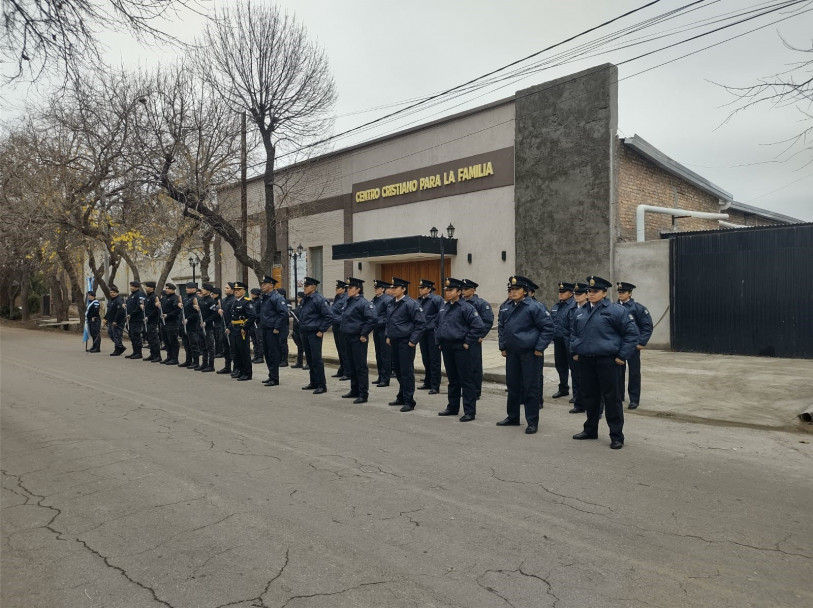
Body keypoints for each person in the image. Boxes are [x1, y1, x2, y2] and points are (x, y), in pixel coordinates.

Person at [571, 275, 639, 450]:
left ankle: (616, 436)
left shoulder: (616, 311)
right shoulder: (580, 311)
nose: (591, 294)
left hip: (608, 361)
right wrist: (577, 349)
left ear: (604, 293)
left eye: (595, 291)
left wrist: (621, 356)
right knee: (590, 397)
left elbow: (632, 334)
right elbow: (574, 333)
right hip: (586, 361)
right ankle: (590, 429)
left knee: (612, 399)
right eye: (589, 291)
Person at [497, 275, 555, 434]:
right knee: (512, 386)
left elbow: (548, 328)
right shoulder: (506, 306)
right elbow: (501, 328)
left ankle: (532, 421)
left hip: (530, 353)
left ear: (525, 291)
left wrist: (539, 347)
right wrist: (502, 346)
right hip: (512, 353)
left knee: (531, 388)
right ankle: (513, 417)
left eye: (517, 289)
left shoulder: (534, 307)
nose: (513, 292)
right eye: (511, 289)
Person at [436, 278, 484, 421]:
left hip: (461, 347)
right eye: (447, 291)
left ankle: (469, 411)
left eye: (451, 290)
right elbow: (437, 325)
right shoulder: (445, 307)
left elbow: (478, 326)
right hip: (447, 347)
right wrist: (438, 341)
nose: (448, 293)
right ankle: (452, 407)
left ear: (459, 292)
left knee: (466, 380)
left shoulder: (466, 307)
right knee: (453, 379)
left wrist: (467, 342)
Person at [386, 277, 426, 412]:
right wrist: (388, 335)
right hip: (394, 341)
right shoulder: (392, 303)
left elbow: (420, 324)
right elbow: (389, 321)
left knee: (406, 371)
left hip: (405, 342)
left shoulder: (411, 304)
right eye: (392, 288)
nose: (393, 290)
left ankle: (409, 400)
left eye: (395, 288)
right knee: (397, 370)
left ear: (403, 289)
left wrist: (413, 341)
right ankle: (401, 396)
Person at [616, 282, 653, 410]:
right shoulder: (614, 307)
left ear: (630, 293)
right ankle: (619, 396)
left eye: (623, 292)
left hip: (632, 345)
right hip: (618, 345)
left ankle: (634, 399)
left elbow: (647, 326)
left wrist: (641, 342)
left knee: (634, 373)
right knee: (617, 372)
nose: (621, 294)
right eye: (619, 292)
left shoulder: (638, 308)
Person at [298, 277, 334, 394]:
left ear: (313, 287)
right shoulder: (305, 299)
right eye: (304, 286)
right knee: (309, 359)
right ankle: (313, 382)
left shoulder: (319, 299)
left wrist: (321, 330)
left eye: (307, 286)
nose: (304, 288)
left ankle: (321, 385)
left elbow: (329, 316)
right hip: (305, 332)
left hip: (314, 333)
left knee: (316, 359)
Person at [461, 279, 494, 399]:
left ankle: (475, 391)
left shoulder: (480, 303)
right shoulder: (460, 303)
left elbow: (487, 321)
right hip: (462, 339)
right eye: (462, 289)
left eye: (466, 289)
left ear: (473, 290)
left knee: (474, 366)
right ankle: (466, 390)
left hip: (474, 339)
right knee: (463, 366)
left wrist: (481, 335)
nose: (463, 291)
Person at [259, 275, 288, 386]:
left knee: (273, 354)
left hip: (272, 330)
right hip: (265, 329)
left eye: (265, 284)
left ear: (271, 285)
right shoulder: (265, 297)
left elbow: (283, 313)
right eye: (262, 284)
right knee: (267, 353)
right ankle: (271, 375)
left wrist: (276, 327)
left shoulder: (277, 297)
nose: (263, 286)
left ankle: (275, 378)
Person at [566, 282, 590, 413]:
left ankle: (595, 409)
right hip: (577, 348)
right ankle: (579, 403)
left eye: (579, 294)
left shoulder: (590, 309)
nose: (576, 296)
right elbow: (572, 332)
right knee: (576, 377)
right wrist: (574, 349)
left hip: (590, 349)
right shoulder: (574, 310)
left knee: (591, 381)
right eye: (575, 294)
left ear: (586, 295)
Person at [416, 279, 444, 394]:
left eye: (422, 288)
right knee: (425, 358)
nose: (420, 290)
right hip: (423, 332)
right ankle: (427, 382)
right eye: (420, 288)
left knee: (434, 359)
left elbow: (442, 315)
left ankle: (435, 385)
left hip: (433, 332)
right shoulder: (419, 300)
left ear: (429, 289)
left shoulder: (436, 299)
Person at [551, 282, 577, 398]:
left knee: (574, 368)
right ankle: (563, 388)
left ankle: (577, 393)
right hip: (558, 341)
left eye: (563, 292)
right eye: (559, 292)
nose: (560, 294)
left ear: (571, 293)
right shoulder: (556, 306)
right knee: (560, 366)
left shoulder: (574, 306)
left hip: (570, 341)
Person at [229, 281, 257, 381]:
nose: (236, 291)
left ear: (244, 291)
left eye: (239, 290)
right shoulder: (235, 301)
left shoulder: (247, 301)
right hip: (234, 329)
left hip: (242, 330)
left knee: (244, 352)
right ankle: (240, 371)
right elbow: (233, 317)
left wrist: (245, 328)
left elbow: (252, 316)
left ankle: (247, 373)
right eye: (235, 290)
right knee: (236, 352)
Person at [371, 279, 393, 387]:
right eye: (375, 288)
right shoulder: (374, 300)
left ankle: (385, 378)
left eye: (378, 288)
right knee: (378, 354)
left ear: (383, 289)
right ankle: (380, 376)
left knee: (385, 355)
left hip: (383, 330)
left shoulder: (387, 300)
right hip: (376, 329)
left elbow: (389, 317)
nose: (376, 290)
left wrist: (378, 321)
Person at [179, 282, 202, 369]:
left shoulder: (196, 299)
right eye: (186, 288)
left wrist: (188, 319)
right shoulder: (185, 298)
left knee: (193, 344)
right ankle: (188, 360)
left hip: (192, 325)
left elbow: (197, 313)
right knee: (186, 344)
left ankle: (196, 362)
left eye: (188, 288)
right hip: (184, 325)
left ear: (194, 289)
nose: (186, 289)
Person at [197, 283, 218, 372]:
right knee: (203, 346)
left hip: (208, 327)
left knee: (210, 346)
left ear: (208, 291)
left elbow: (214, 314)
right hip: (200, 326)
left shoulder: (211, 301)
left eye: (204, 289)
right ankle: (204, 363)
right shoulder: (201, 300)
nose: (202, 290)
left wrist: (206, 322)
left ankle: (211, 365)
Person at [330, 280, 349, 379]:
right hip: (335, 326)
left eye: (338, 288)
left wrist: (334, 318)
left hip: (342, 326)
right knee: (339, 349)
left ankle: (347, 371)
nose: (336, 289)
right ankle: (342, 368)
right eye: (336, 288)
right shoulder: (337, 298)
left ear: (343, 289)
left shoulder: (346, 298)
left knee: (344, 349)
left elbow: (344, 314)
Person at [160, 283, 181, 365]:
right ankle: (169, 356)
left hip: (172, 322)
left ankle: (175, 358)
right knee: (166, 340)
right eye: (166, 288)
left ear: (173, 289)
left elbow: (177, 311)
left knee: (173, 340)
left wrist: (168, 315)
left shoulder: (175, 298)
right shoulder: (164, 298)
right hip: (164, 322)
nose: (167, 290)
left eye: (168, 288)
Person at [124, 281, 146, 359]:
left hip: (136, 319)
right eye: (130, 286)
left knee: (136, 335)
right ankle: (135, 352)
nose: (131, 288)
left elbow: (139, 307)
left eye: (132, 286)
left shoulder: (140, 295)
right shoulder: (131, 295)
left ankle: (138, 353)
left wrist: (131, 314)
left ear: (136, 287)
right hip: (130, 319)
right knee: (132, 335)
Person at [142, 281, 163, 363]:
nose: (146, 288)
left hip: (152, 320)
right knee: (149, 338)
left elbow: (155, 310)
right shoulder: (147, 297)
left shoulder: (155, 297)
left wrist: (148, 317)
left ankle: (158, 356)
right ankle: (152, 354)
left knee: (154, 338)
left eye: (147, 287)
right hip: (147, 320)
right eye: (146, 286)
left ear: (152, 288)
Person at [218, 283, 236, 375]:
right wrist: (220, 311)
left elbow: (234, 316)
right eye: (224, 287)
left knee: (232, 348)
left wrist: (229, 327)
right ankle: (227, 366)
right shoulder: (223, 300)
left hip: (231, 327)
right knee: (225, 348)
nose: (225, 289)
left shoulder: (234, 300)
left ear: (232, 290)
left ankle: (236, 367)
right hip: (223, 326)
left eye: (227, 288)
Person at [104, 285, 126, 355]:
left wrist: (115, 321)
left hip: (117, 321)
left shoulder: (119, 300)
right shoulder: (110, 300)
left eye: (114, 292)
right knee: (111, 334)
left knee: (117, 335)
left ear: (117, 293)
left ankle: (118, 349)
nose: (112, 293)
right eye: (111, 292)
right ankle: (120, 346)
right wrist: (105, 318)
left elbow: (120, 311)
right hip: (110, 320)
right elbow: (109, 310)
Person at [290, 291, 306, 369]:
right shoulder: (299, 306)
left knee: (305, 347)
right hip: (296, 329)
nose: (298, 299)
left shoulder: (304, 306)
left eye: (299, 297)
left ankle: (308, 363)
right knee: (300, 347)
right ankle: (299, 362)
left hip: (302, 329)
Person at [249, 288, 264, 363]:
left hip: (258, 323)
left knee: (259, 340)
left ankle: (260, 357)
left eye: (251, 293)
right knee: (254, 340)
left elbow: (261, 313)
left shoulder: (260, 301)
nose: (250, 294)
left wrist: (255, 317)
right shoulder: (252, 301)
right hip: (252, 323)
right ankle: (256, 355)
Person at [276, 287, 290, 367]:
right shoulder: (277, 301)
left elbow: (287, 313)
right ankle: (280, 359)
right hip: (278, 325)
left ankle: (284, 360)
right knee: (278, 343)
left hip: (284, 325)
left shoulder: (286, 301)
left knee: (283, 343)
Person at [211, 287, 225, 359]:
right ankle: (217, 351)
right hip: (215, 321)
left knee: (220, 337)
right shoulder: (214, 300)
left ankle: (220, 352)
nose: (212, 295)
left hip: (219, 321)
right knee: (216, 337)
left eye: (213, 294)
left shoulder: (219, 301)